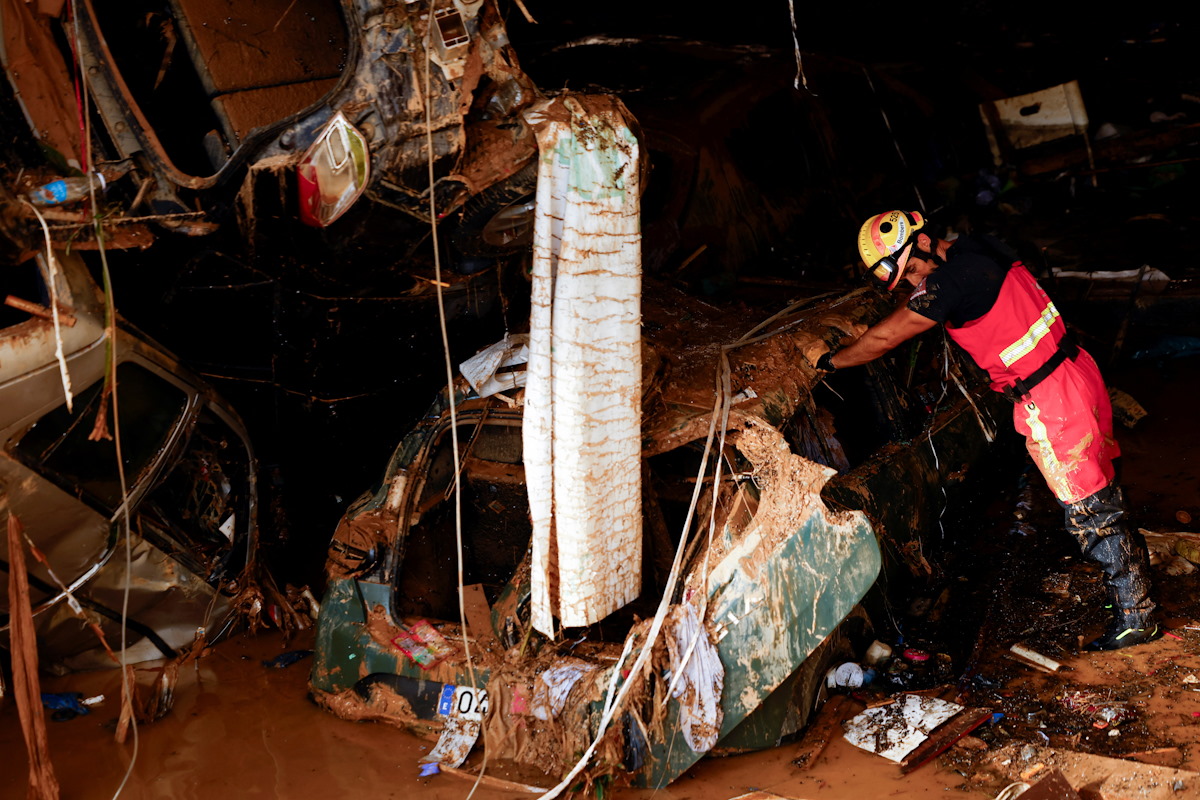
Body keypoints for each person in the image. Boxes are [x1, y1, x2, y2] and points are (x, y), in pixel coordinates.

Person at [814, 209, 1159, 650]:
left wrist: (831, 361)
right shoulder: (976, 248)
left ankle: (1137, 616)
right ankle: (1133, 589)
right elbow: (924, 295)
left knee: (1089, 510)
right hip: (1075, 369)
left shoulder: (949, 284)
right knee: (1102, 487)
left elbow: (885, 339)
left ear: (921, 241)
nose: (911, 282)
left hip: (1050, 399)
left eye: (912, 270)